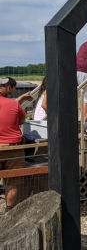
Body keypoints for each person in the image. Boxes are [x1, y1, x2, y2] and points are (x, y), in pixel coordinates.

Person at [0, 77, 27, 212]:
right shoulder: (14, 104)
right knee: (12, 181)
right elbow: (22, 120)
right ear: (8, 88)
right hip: (13, 147)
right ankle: (9, 210)